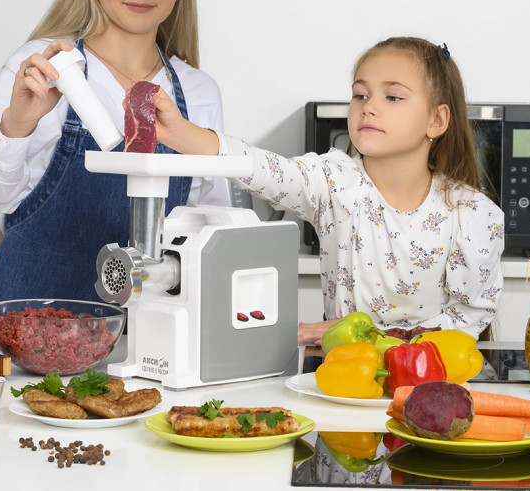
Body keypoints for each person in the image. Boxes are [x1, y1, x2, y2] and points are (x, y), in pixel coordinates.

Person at [0, 0, 229, 329]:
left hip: (149, 332)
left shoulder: (198, 92)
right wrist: (19, 122)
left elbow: (211, 233)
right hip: (32, 324)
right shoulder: (46, 67)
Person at [152, 36, 504, 344]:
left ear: (436, 120)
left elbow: (465, 322)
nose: (369, 106)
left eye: (393, 96)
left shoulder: (472, 214)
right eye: (360, 95)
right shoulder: (334, 182)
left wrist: (366, 334)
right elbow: (263, 168)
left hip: (431, 378)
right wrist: (181, 133)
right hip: (343, 373)